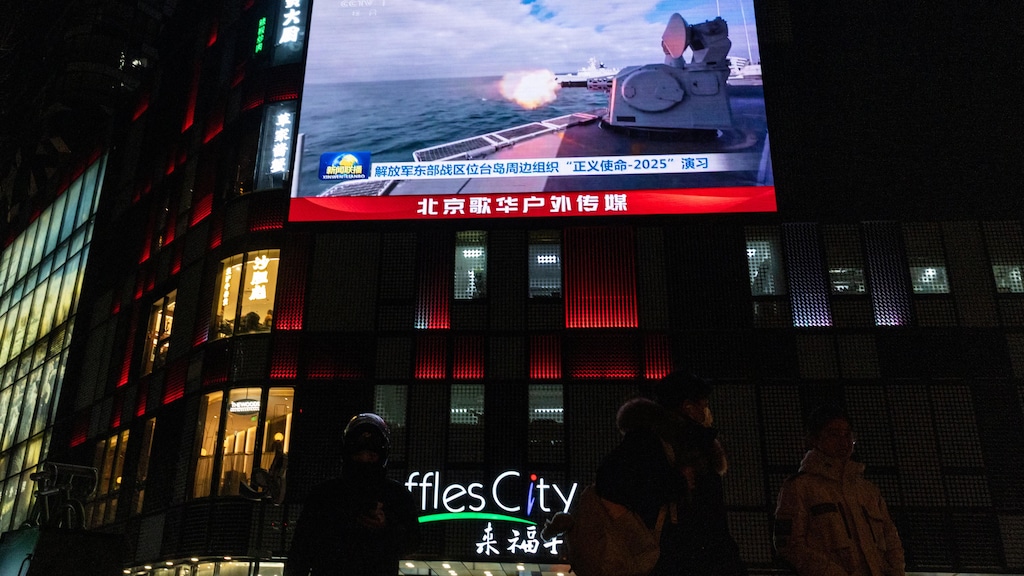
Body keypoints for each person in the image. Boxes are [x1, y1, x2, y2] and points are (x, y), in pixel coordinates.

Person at [595, 372, 746, 576]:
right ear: (688, 407)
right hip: (675, 561)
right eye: (703, 404)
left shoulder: (660, 441)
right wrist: (676, 483)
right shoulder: (656, 442)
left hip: (672, 561)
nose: (706, 411)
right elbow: (611, 481)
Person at [774, 405, 905, 576]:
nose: (843, 441)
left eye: (847, 435)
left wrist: (896, 571)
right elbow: (789, 545)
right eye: (833, 434)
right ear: (814, 439)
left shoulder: (867, 490)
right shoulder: (800, 488)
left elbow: (890, 538)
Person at [284, 413, 420, 576]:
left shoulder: (325, 494)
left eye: (371, 455)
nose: (364, 460)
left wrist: (386, 528)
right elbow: (301, 551)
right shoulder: (324, 495)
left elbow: (412, 542)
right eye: (358, 454)